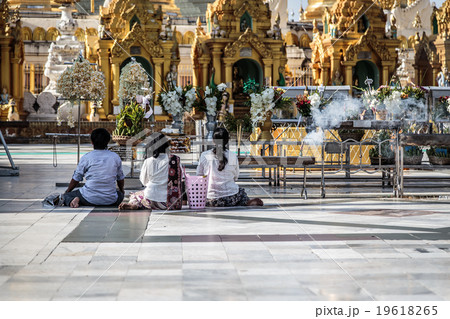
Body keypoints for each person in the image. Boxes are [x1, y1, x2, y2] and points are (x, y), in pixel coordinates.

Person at [196, 128, 263, 207]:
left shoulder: (204, 155)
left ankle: (216, 202)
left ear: (213, 140)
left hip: (209, 198)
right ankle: (245, 202)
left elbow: (199, 175)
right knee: (241, 193)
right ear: (227, 140)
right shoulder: (232, 155)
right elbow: (236, 176)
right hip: (231, 197)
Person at [119, 132, 182, 210]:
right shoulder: (175, 159)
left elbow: (143, 181)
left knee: (134, 195)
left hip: (150, 198)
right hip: (170, 202)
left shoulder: (148, 161)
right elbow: (180, 177)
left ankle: (137, 204)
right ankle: (144, 205)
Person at [63, 128, 125, 208]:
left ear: (92, 142)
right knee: (120, 195)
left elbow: (76, 178)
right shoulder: (115, 157)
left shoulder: (86, 157)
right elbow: (120, 178)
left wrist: (68, 192)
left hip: (88, 198)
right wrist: (122, 191)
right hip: (110, 200)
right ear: (107, 142)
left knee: (65, 196)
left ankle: (75, 199)